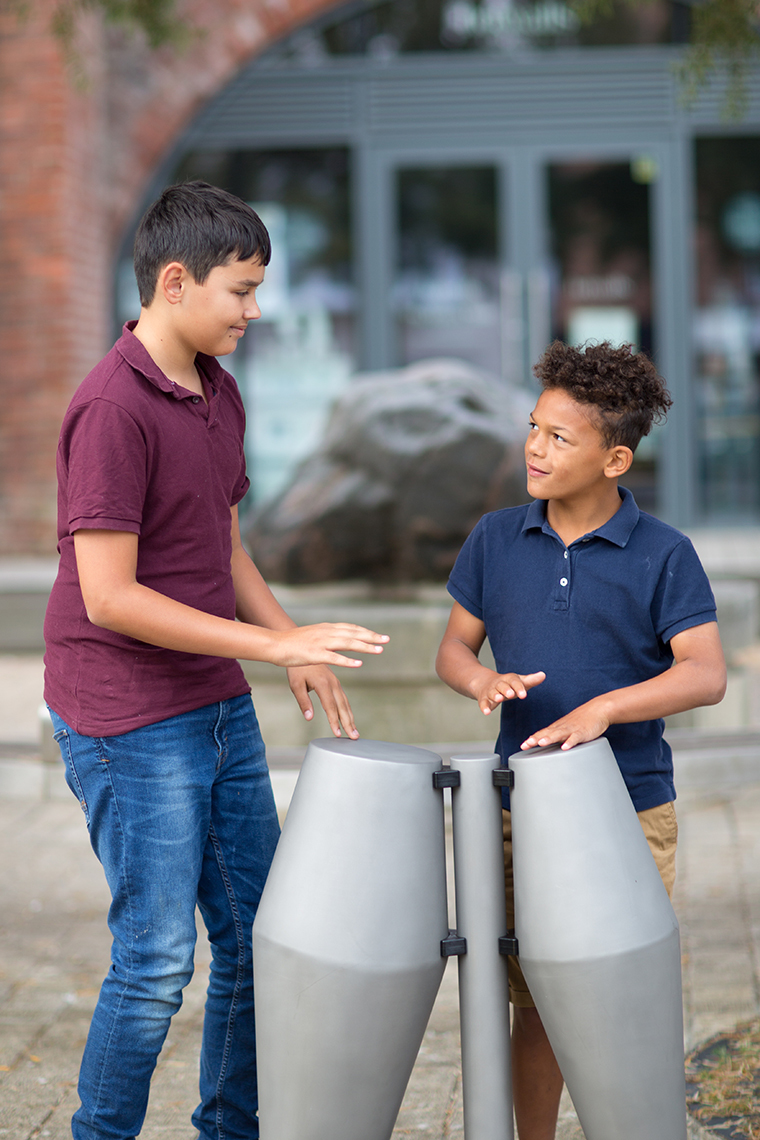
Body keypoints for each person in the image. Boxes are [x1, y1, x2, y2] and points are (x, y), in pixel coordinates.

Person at [43, 180, 389, 1140]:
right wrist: (272, 642)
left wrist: (290, 647)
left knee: (255, 942)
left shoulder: (215, 387)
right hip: (125, 717)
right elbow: (109, 597)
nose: (255, 310)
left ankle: (230, 1130)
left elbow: (218, 546)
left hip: (214, 700)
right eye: (241, 291)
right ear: (175, 280)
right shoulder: (112, 409)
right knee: (155, 964)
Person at [435, 339, 726, 1140]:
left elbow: (705, 674)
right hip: (513, 812)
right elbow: (454, 649)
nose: (535, 446)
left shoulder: (665, 554)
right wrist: (478, 682)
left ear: (615, 459)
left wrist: (606, 708)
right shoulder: (495, 538)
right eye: (534, 427)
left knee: (608, 1001)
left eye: (560, 437)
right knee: (535, 1003)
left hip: (628, 813)